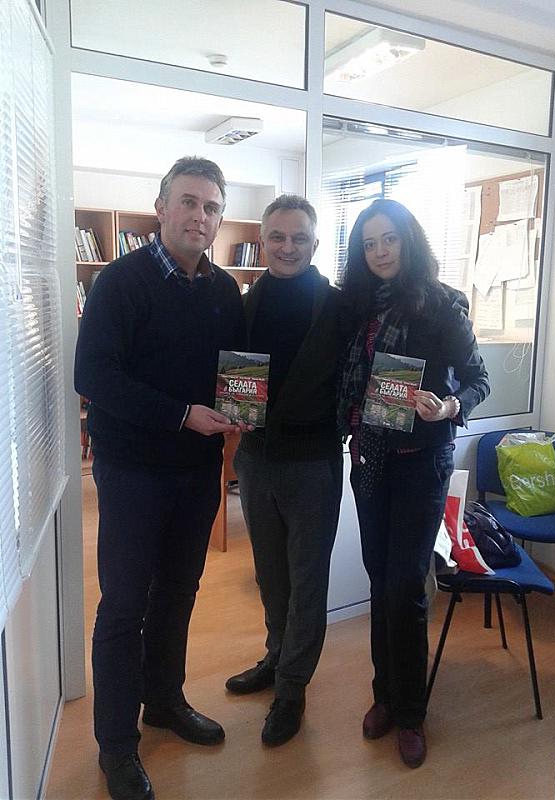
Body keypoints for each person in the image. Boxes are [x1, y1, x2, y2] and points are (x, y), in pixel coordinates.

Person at [74, 157, 247, 800]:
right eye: (189, 202)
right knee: (124, 605)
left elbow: (235, 373)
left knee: (178, 591)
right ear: (162, 207)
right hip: (133, 472)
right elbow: (94, 376)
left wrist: (241, 409)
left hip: (198, 471)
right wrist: (181, 414)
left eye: (211, 206)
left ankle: (164, 701)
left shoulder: (224, 291)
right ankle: (116, 745)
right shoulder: (120, 282)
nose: (200, 216)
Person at [337, 198, 490, 768]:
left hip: (421, 461)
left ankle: (410, 712)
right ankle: (383, 695)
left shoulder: (443, 304)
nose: (379, 252)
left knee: (405, 584)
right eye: (369, 243)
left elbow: (478, 380)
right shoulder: (356, 306)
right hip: (370, 458)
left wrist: (448, 405)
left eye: (389, 239)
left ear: (409, 240)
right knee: (381, 580)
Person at [225, 195, 344, 746]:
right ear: (262, 240)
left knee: (307, 580)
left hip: (313, 463)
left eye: (299, 238)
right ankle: (276, 658)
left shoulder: (339, 307)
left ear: (315, 243)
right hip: (255, 458)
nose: (288, 247)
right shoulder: (243, 304)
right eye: (277, 236)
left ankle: (293, 687)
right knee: (269, 574)